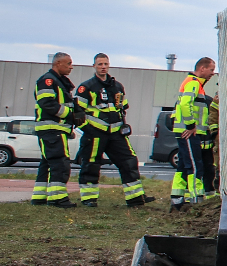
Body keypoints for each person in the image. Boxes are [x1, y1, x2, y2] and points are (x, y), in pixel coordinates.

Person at [76, 53, 151, 208]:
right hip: (95, 133)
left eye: (105, 64)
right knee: (91, 164)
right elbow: (77, 113)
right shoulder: (87, 87)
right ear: (94, 66)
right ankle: (89, 199)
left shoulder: (117, 86)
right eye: (100, 64)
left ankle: (136, 198)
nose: (103, 67)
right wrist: (88, 130)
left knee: (129, 161)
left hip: (116, 133)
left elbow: (123, 107)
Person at [30, 52, 82, 207]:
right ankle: (58, 198)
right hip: (52, 129)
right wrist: (70, 116)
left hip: (56, 129)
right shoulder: (47, 81)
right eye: (68, 63)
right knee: (60, 163)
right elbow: (47, 103)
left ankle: (39, 197)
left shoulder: (58, 82)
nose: (71, 67)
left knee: (47, 163)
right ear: (58, 63)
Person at [171, 57, 216, 207]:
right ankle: (196, 198)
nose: (212, 73)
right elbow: (185, 104)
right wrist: (191, 126)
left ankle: (177, 198)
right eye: (211, 70)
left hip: (185, 131)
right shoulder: (193, 83)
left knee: (183, 165)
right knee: (195, 165)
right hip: (188, 132)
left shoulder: (194, 84)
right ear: (202, 68)